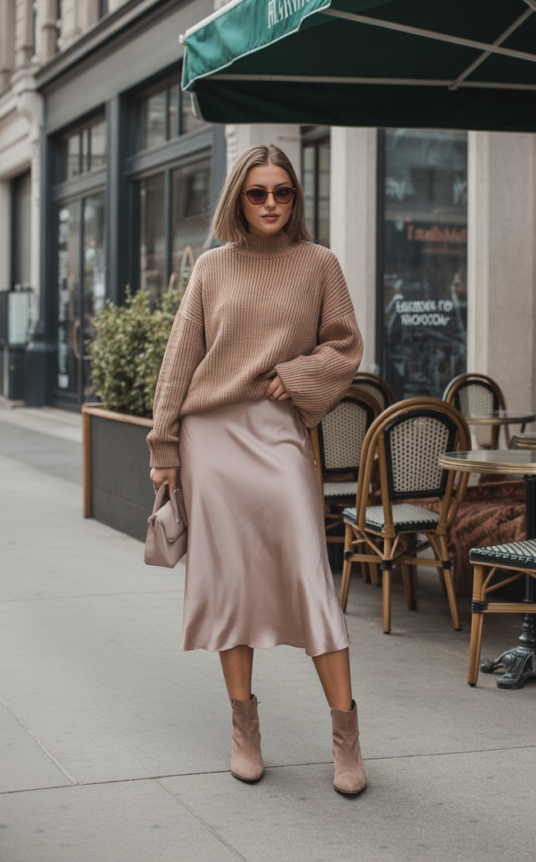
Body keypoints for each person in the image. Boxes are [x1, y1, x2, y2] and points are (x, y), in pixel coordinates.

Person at [148, 143, 367, 796]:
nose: (271, 203)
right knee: (230, 585)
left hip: (277, 438)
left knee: (309, 577)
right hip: (210, 442)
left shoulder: (318, 264)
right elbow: (178, 359)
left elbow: (346, 344)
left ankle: (345, 735)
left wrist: (296, 375)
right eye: (257, 192)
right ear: (237, 199)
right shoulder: (212, 269)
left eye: (283, 192)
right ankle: (244, 728)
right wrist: (164, 448)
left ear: (296, 199)